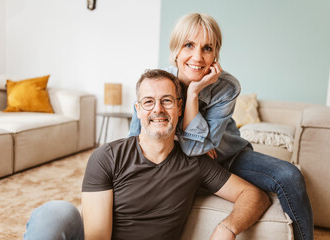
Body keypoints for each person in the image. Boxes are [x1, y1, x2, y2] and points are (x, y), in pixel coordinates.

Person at [24, 69, 270, 240]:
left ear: (180, 108)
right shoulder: (107, 157)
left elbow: (254, 195)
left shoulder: (196, 163)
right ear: (138, 110)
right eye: (149, 102)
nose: (158, 110)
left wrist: (227, 228)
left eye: (167, 101)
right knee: (56, 213)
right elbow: (97, 236)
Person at [129, 13, 313, 240]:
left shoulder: (226, 86)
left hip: (229, 156)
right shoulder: (155, 83)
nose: (198, 57)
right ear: (175, 49)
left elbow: (194, 147)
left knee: (289, 175)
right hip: (182, 161)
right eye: (189, 45)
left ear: (215, 54)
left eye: (207, 48)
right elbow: (137, 141)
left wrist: (194, 92)